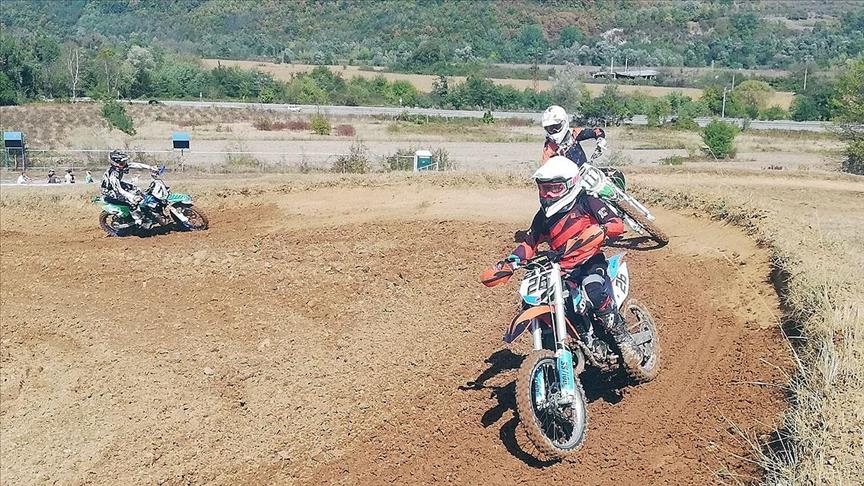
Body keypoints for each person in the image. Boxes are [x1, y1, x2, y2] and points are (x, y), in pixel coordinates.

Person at [481, 155, 643, 362]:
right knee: (538, 301)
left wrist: (600, 231)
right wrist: (509, 264)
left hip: (589, 262)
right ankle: (573, 340)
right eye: (544, 188)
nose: (548, 194)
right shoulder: (543, 216)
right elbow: (529, 244)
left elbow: (616, 223)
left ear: (571, 184)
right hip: (561, 269)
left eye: (555, 188)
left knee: (593, 290)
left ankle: (622, 336)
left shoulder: (587, 201)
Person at [100, 150, 158, 228]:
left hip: (118, 185)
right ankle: (138, 222)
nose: (124, 164)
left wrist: (150, 167)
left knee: (138, 190)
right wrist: (132, 197)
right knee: (132, 201)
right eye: (122, 163)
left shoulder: (120, 167)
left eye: (125, 162)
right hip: (109, 190)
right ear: (115, 164)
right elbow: (119, 190)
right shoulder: (113, 175)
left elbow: (135, 165)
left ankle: (146, 210)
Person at [540, 105, 607, 167]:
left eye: (556, 127)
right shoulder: (549, 147)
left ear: (564, 122)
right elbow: (545, 168)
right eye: (549, 129)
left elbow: (597, 131)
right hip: (565, 175)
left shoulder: (573, 134)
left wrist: (600, 140)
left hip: (584, 171)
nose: (553, 131)